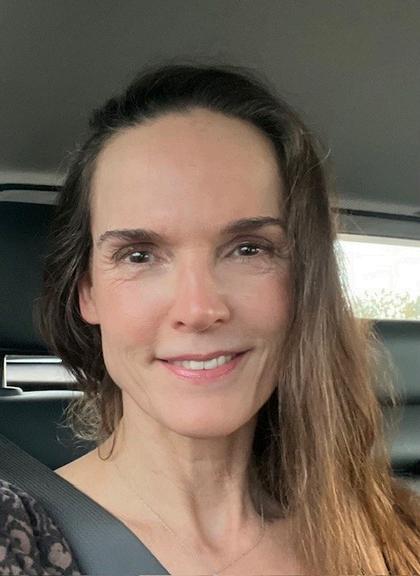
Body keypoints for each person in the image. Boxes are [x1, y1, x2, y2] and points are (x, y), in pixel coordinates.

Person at [2, 62, 419, 575]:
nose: (199, 310)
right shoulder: (16, 539)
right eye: (139, 255)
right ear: (87, 291)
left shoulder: (394, 533)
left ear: (304, 284)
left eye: (249, 249)